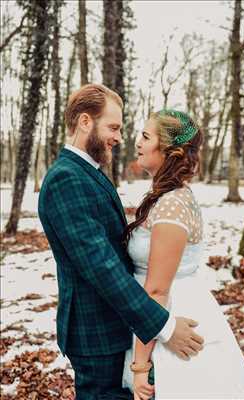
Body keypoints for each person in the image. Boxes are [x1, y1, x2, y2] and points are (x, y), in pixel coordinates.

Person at [38, 84, 204, 400]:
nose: (120, 137)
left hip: (118, 324)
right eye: (113, 127)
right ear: (86, 122)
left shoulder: (90, 172)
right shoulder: (67, 179)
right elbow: (101, 266)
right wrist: (164, 326)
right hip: (96, 332)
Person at [122, 109, 244, 400]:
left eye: (146, 137)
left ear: (169, 151)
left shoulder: (172, 204)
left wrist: (140, 365)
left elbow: (157, 290)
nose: (138, 143)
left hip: (171, 317)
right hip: (160, 314)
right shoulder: (167, 197)